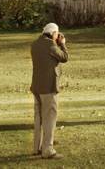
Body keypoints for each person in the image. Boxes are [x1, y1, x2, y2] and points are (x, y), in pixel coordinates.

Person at [30, 22, 69, 160]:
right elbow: (64, 57)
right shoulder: (51, 45)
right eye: (57, 34)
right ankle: (48, 149)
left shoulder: (35, 44)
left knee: (38, 117)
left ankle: (37, 147)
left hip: (36, 86)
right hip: (49, 86)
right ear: (53, 33)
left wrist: (56, 42)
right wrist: (62, 43)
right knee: (50, 117)